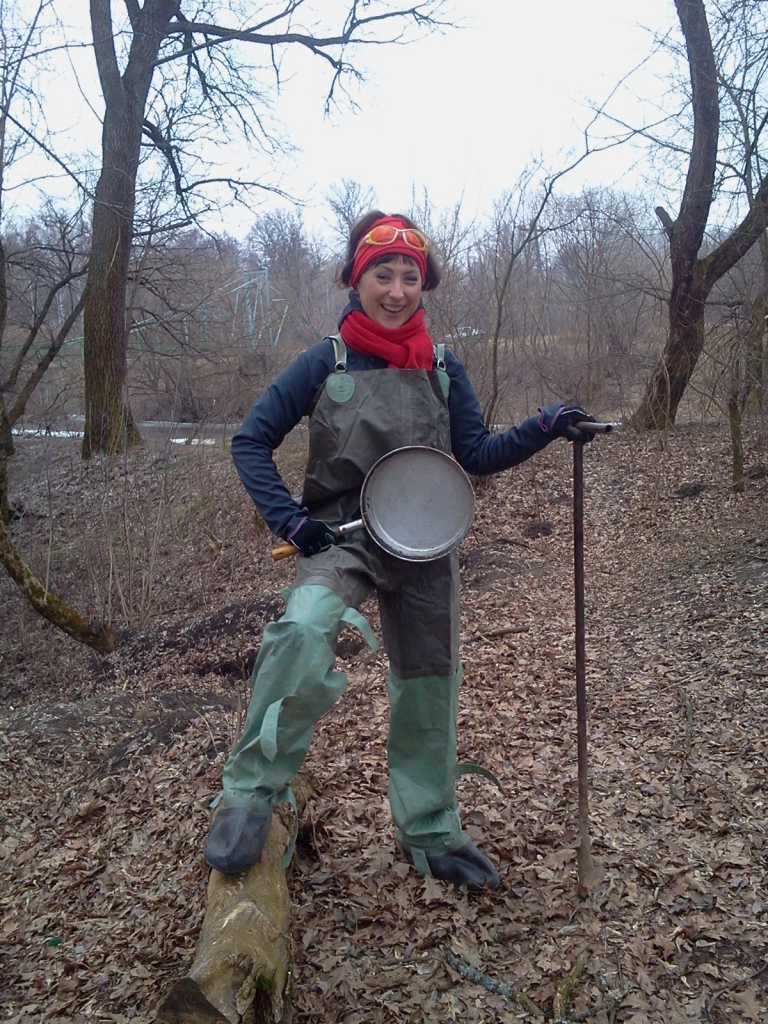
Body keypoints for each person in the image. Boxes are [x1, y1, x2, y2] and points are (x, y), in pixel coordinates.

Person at [204, 211, 594, 892]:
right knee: (303, 630)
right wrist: (291, 523)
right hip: (340, 537)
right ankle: (249, 792)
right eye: (382, 274)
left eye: (409, 276)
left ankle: (429, 826)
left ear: (424, 284)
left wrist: (544, 427)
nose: (396, 289)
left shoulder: (443, 365)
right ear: (357, 280)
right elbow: (250, 441)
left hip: (423, 541)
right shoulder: (324, 361)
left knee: (430, 679)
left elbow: (476, 453)